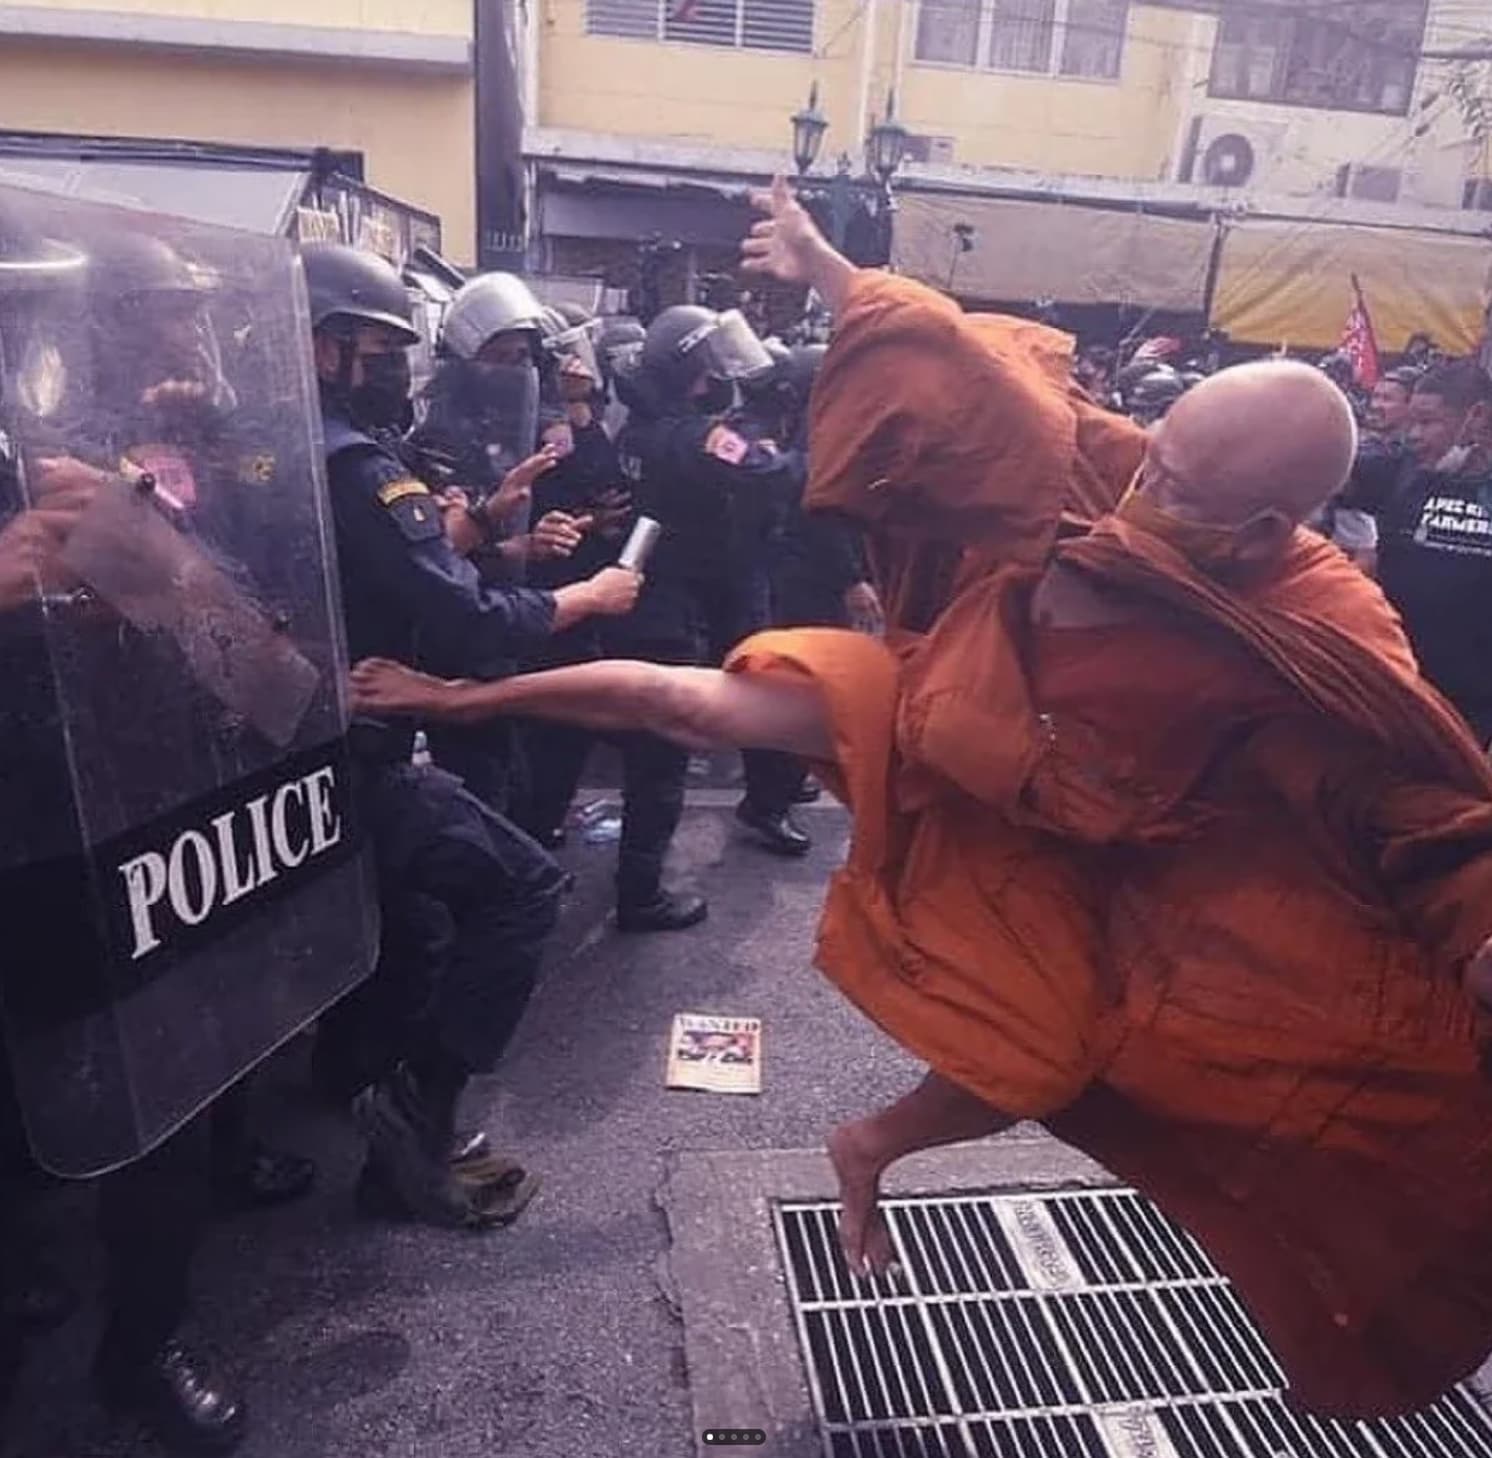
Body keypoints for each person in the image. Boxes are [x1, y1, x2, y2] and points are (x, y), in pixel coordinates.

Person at [351, 178, 1492, 1422]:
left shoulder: (1319, 616)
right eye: (1151, 460)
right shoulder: (1118, 482)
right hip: (956, 709)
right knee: (697, 704)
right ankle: (465, 702)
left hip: (1115, 841)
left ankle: (871, 1148)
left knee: (1059, 1050)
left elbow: (1422, 799)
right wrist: (830, 266)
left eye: (1176, 487)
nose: (1140, 487)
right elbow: (985, 388)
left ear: (1265, 523)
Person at [300, 242, 640, 1228]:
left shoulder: (260, 442)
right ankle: (410, 1123)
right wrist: (578, 599)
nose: (387, 369)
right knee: (523, 887)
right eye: (370, 348)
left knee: (401, 930)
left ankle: (371, 1104)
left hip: (292, 745)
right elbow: (465, 616)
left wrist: (499, 527)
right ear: (321, 347)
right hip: (358, 738)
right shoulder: (357, 465)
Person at [618, 303, 811, 860]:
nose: (717, 373)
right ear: (688, 369)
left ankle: (768, 801)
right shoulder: (693, 436)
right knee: (674, 748)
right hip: (702, 592)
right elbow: (769, 475)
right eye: (707, 362)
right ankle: (645, 885)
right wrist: (819, 465)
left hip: (694, 587)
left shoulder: (643, 429)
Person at [1373, 358, 1492, 742]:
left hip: (1470, 705)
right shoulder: (1400, 472)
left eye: (1428, 422)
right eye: (1411, 423)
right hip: (1391, 685)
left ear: (1476, 417)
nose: (1415, 435)